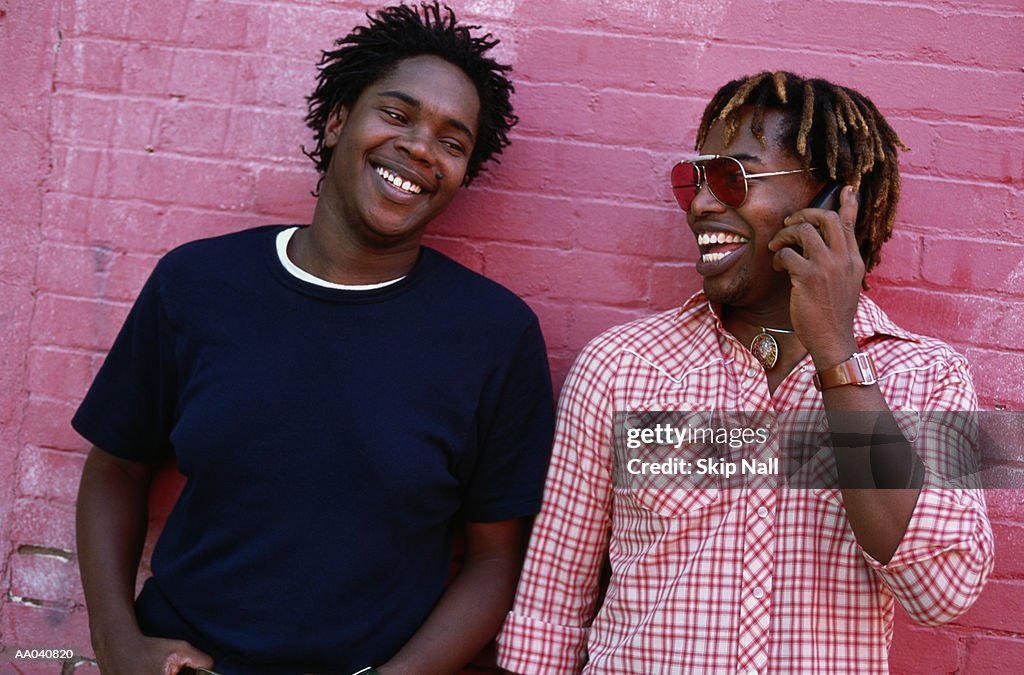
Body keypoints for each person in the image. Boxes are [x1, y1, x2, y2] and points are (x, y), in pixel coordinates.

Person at [73, 3, 554, 674]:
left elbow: (494, 556)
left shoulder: (496, 337)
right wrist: (117, 644)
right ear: (336, 122)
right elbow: (115, 470)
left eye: (453, 139)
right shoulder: (199, 283)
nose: (420, 146)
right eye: (397, 113)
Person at [496, 71, 993, 673]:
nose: (704, 203)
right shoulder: (622, 367)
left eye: (734, 178)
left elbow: (940, 592)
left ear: (834, 200)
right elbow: (552, 605)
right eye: (695, 180)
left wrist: (836, 354)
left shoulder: (927, 377)